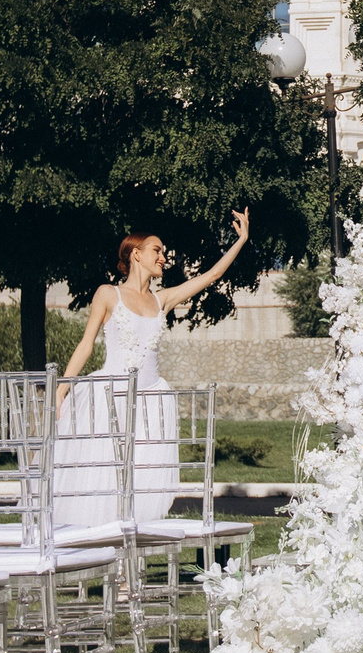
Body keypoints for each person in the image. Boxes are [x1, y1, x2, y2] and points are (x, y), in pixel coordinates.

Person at [52, 212, 250, 528]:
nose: (163, 256)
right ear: (136, 254)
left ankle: (132, 563)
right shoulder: (108, 294)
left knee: (141, 478)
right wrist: (60, 391)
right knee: (107, 477)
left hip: (151, 400)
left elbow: (211, 276)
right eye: (157, 250)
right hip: (111, 397)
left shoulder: (162, 300)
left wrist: (241, 240)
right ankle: (111, 562)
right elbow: (86, 344)